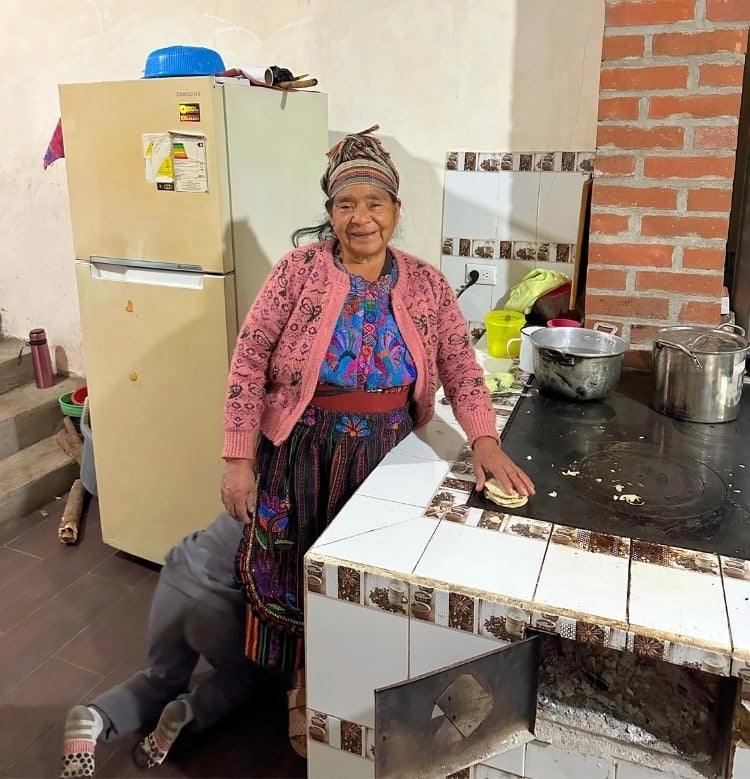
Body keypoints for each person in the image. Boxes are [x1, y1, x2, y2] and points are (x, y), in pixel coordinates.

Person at [220, 124, 535, 754]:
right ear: (330, 212)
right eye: (345, 204)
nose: (360, 218)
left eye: (374, 204)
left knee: (373, 572)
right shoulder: (297, 272)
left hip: (391, 451)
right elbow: (249, 358)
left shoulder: (424, 282)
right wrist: (236, 457)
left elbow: (459, 363)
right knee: (303, 564)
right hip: (304, 448)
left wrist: (484, 441)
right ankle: (306, 690)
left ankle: (365, 680)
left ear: (396, 210)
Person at [59, 513, 266, 778]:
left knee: (162, 678)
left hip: (176, 574)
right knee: (241, 675)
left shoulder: (251, 489)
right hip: (217, 607)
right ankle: (189, 709)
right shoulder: (298, 518)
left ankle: (94, 718)